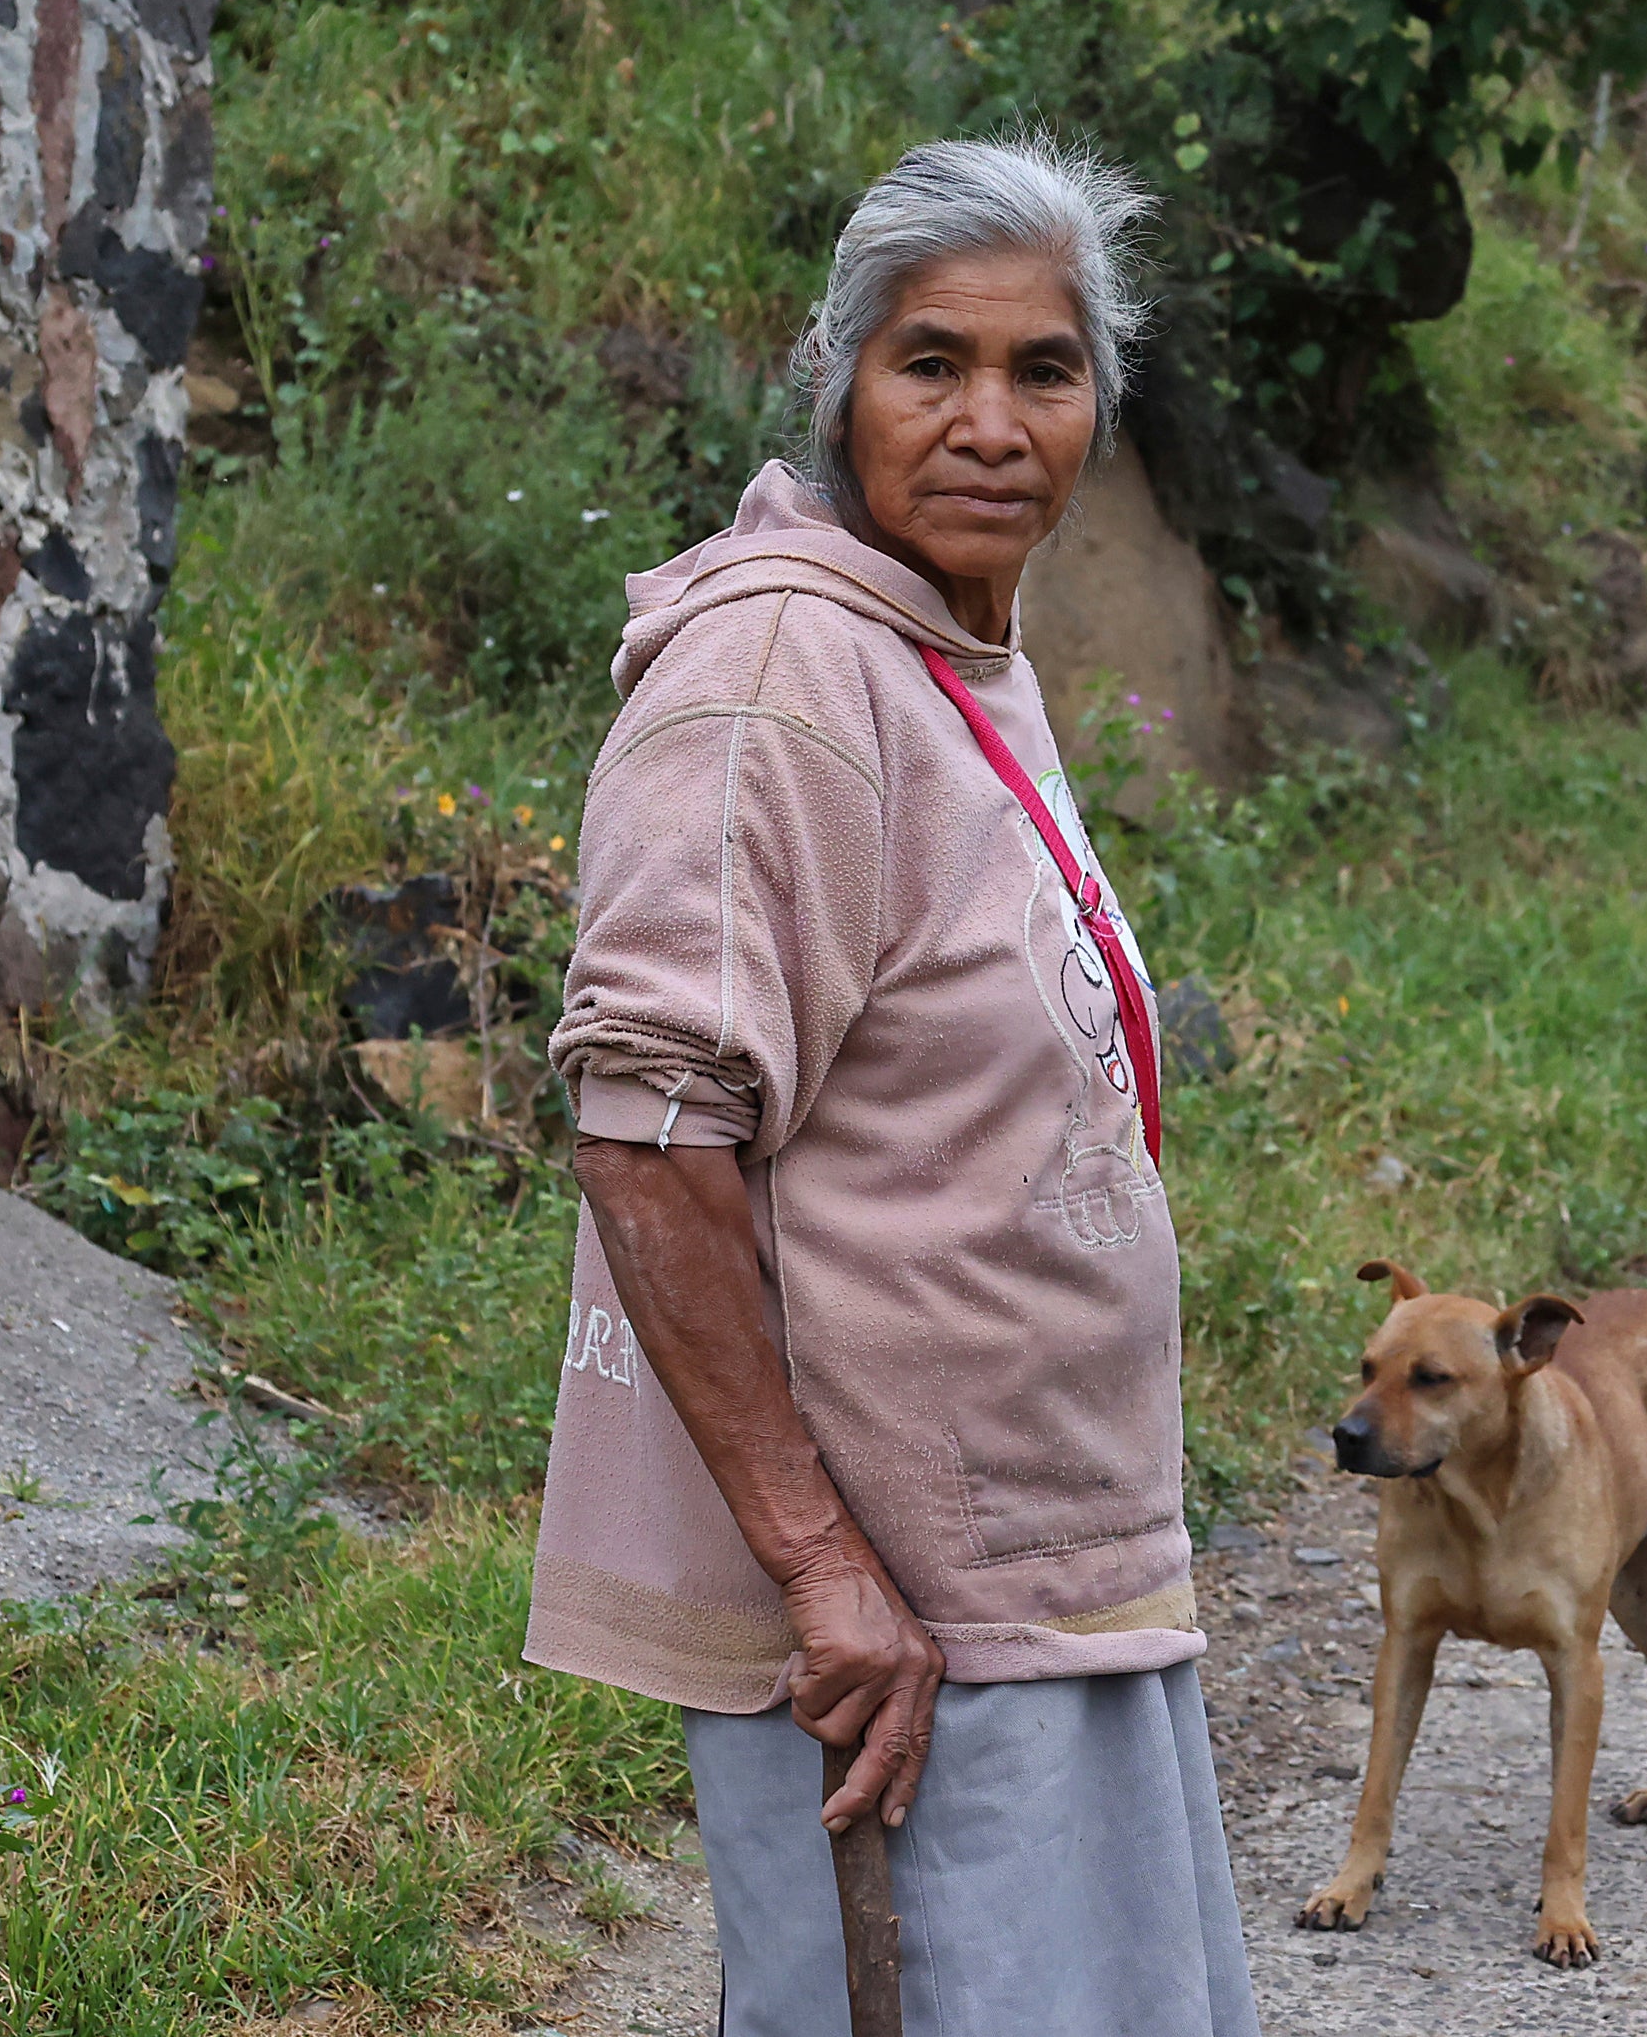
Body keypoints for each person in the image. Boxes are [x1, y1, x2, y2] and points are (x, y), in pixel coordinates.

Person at [526, 137, 1259, 2036]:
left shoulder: (944, 660)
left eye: (1048, 369)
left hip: (1041, 1576)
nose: (992, 422)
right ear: (841, 384)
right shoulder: (772, 686)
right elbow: (647, 1125)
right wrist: (824, 1568)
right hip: (900, 1636)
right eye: (932, 364)